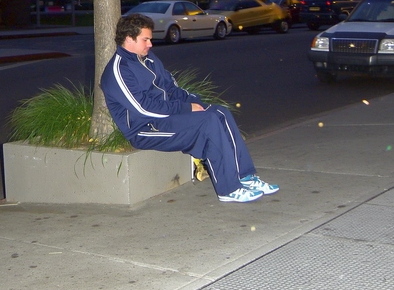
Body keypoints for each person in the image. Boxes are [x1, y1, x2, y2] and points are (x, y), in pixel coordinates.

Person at [100, 13, 279, 203]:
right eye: (146, 40)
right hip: (145, 129)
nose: (150, 44)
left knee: (219, 112)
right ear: (129, 39)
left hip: (166, 120)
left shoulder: (149, 59)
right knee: (208, 122)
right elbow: (143, 109)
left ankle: (245, 176)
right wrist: (186, 109)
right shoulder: (118, 70)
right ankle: (228, 189)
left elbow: (170, 86)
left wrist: (195, 102)